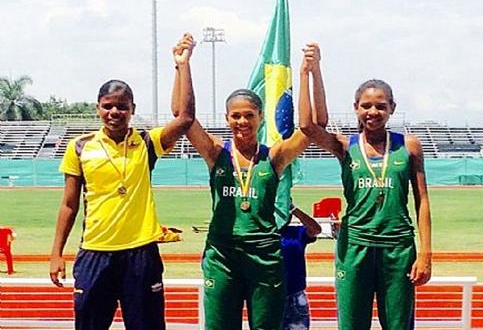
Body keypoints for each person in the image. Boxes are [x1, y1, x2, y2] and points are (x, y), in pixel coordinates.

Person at [49, 33, 195, 330]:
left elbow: (185, 118)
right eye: (108, 106)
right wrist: (55, 254)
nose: (114, 112)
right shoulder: (79, 146)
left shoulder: (146, 142)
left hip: (140, 254)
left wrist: (182, 66)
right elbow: (68, 204)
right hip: (94, 253)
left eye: (122, 106)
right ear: (98, 108)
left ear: (132, 109)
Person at [298, 43, 432, 330]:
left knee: (398, 325)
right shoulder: (345, 146)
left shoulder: (408, 146)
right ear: (355, 108)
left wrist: (425, 254)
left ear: (392, 109)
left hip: (397, 248)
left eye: (381, 106)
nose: (373, 111)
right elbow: (308, 126)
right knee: (352, 325)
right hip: (354, 247)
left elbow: (422, 201)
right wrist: (311, 71)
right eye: (366, 105)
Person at [171, 67, 310, 328]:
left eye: (249, 115)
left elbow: (310, 128)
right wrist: (183, 65)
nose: (242, 122)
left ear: (260, 117)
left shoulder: (274, 157)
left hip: (265, 257)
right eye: (236, 116)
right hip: (223, 256)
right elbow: (183, 117)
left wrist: (306, 74)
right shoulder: (216, 153)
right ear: (227, 118)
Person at [281, 203, 322, 330]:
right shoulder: (262, 233)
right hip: (270, 296)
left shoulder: (296, 232)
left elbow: (315, 230)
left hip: (295, 296)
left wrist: (293, 209)